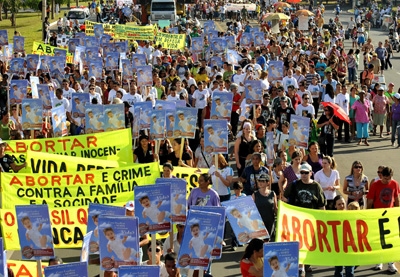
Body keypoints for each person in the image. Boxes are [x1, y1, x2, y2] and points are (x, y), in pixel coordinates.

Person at [366, 166, 399, 273]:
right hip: (377, 216)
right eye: (385, 179)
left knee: (390, 240)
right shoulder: (375, 185)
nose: (387, 181)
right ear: (381, 176)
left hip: (390, 216)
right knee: (378, 239)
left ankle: (390, 263)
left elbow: (397, 198)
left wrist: (398, 212)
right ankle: (379, 261)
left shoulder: (395, 184)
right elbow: (370, 200)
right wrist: (367, 214)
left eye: (389, 179)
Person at [333, 195, 356, 277]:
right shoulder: (331, 216)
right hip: (338, 247)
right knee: (338, 271)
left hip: (349, 247)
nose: (342, 206)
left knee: (350, 271)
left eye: (343, 203)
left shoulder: (350, 215)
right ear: (335, 206)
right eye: (339, 204)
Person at [252, 173, 277, 239]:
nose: (260, 183)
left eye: (263, 181)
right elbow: (251, 209)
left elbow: (275, 208)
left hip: (270, 223)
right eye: (259, 181)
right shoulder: (255, 194)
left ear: (268, 183)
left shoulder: (272, 193)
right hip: (259, 224)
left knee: (270, 243)